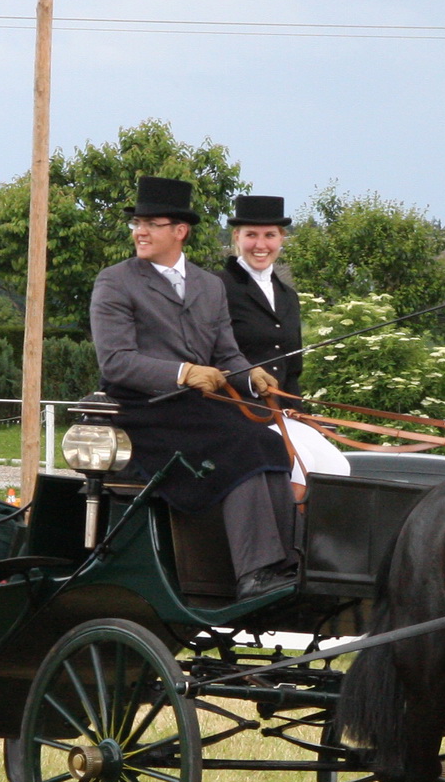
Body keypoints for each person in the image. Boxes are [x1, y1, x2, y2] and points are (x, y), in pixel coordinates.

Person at [90, 176, 299, 600]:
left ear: (180, 231)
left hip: (197, 410)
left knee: (270, 443)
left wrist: (250, 376)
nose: (140, 232)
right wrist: (183, 372)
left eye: (151, 224)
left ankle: (285, 563)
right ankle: (253, 573)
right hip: (144, 410)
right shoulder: (115, 281)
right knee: (242, 443)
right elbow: (116, 361)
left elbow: (227, 354)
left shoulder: (209, 285)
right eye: (136, 224)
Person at [220, 194, 351, 497]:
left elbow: (292, 369)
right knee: (299, 463)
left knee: (337, 467)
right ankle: (286, 526)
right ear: (236, 237)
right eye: (251, 235)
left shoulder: (288, 296)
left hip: (281, 413)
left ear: (281, 238)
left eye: (269, 235)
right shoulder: (218, 287)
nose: (260, 245)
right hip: (237, 412)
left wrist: (301, 416)